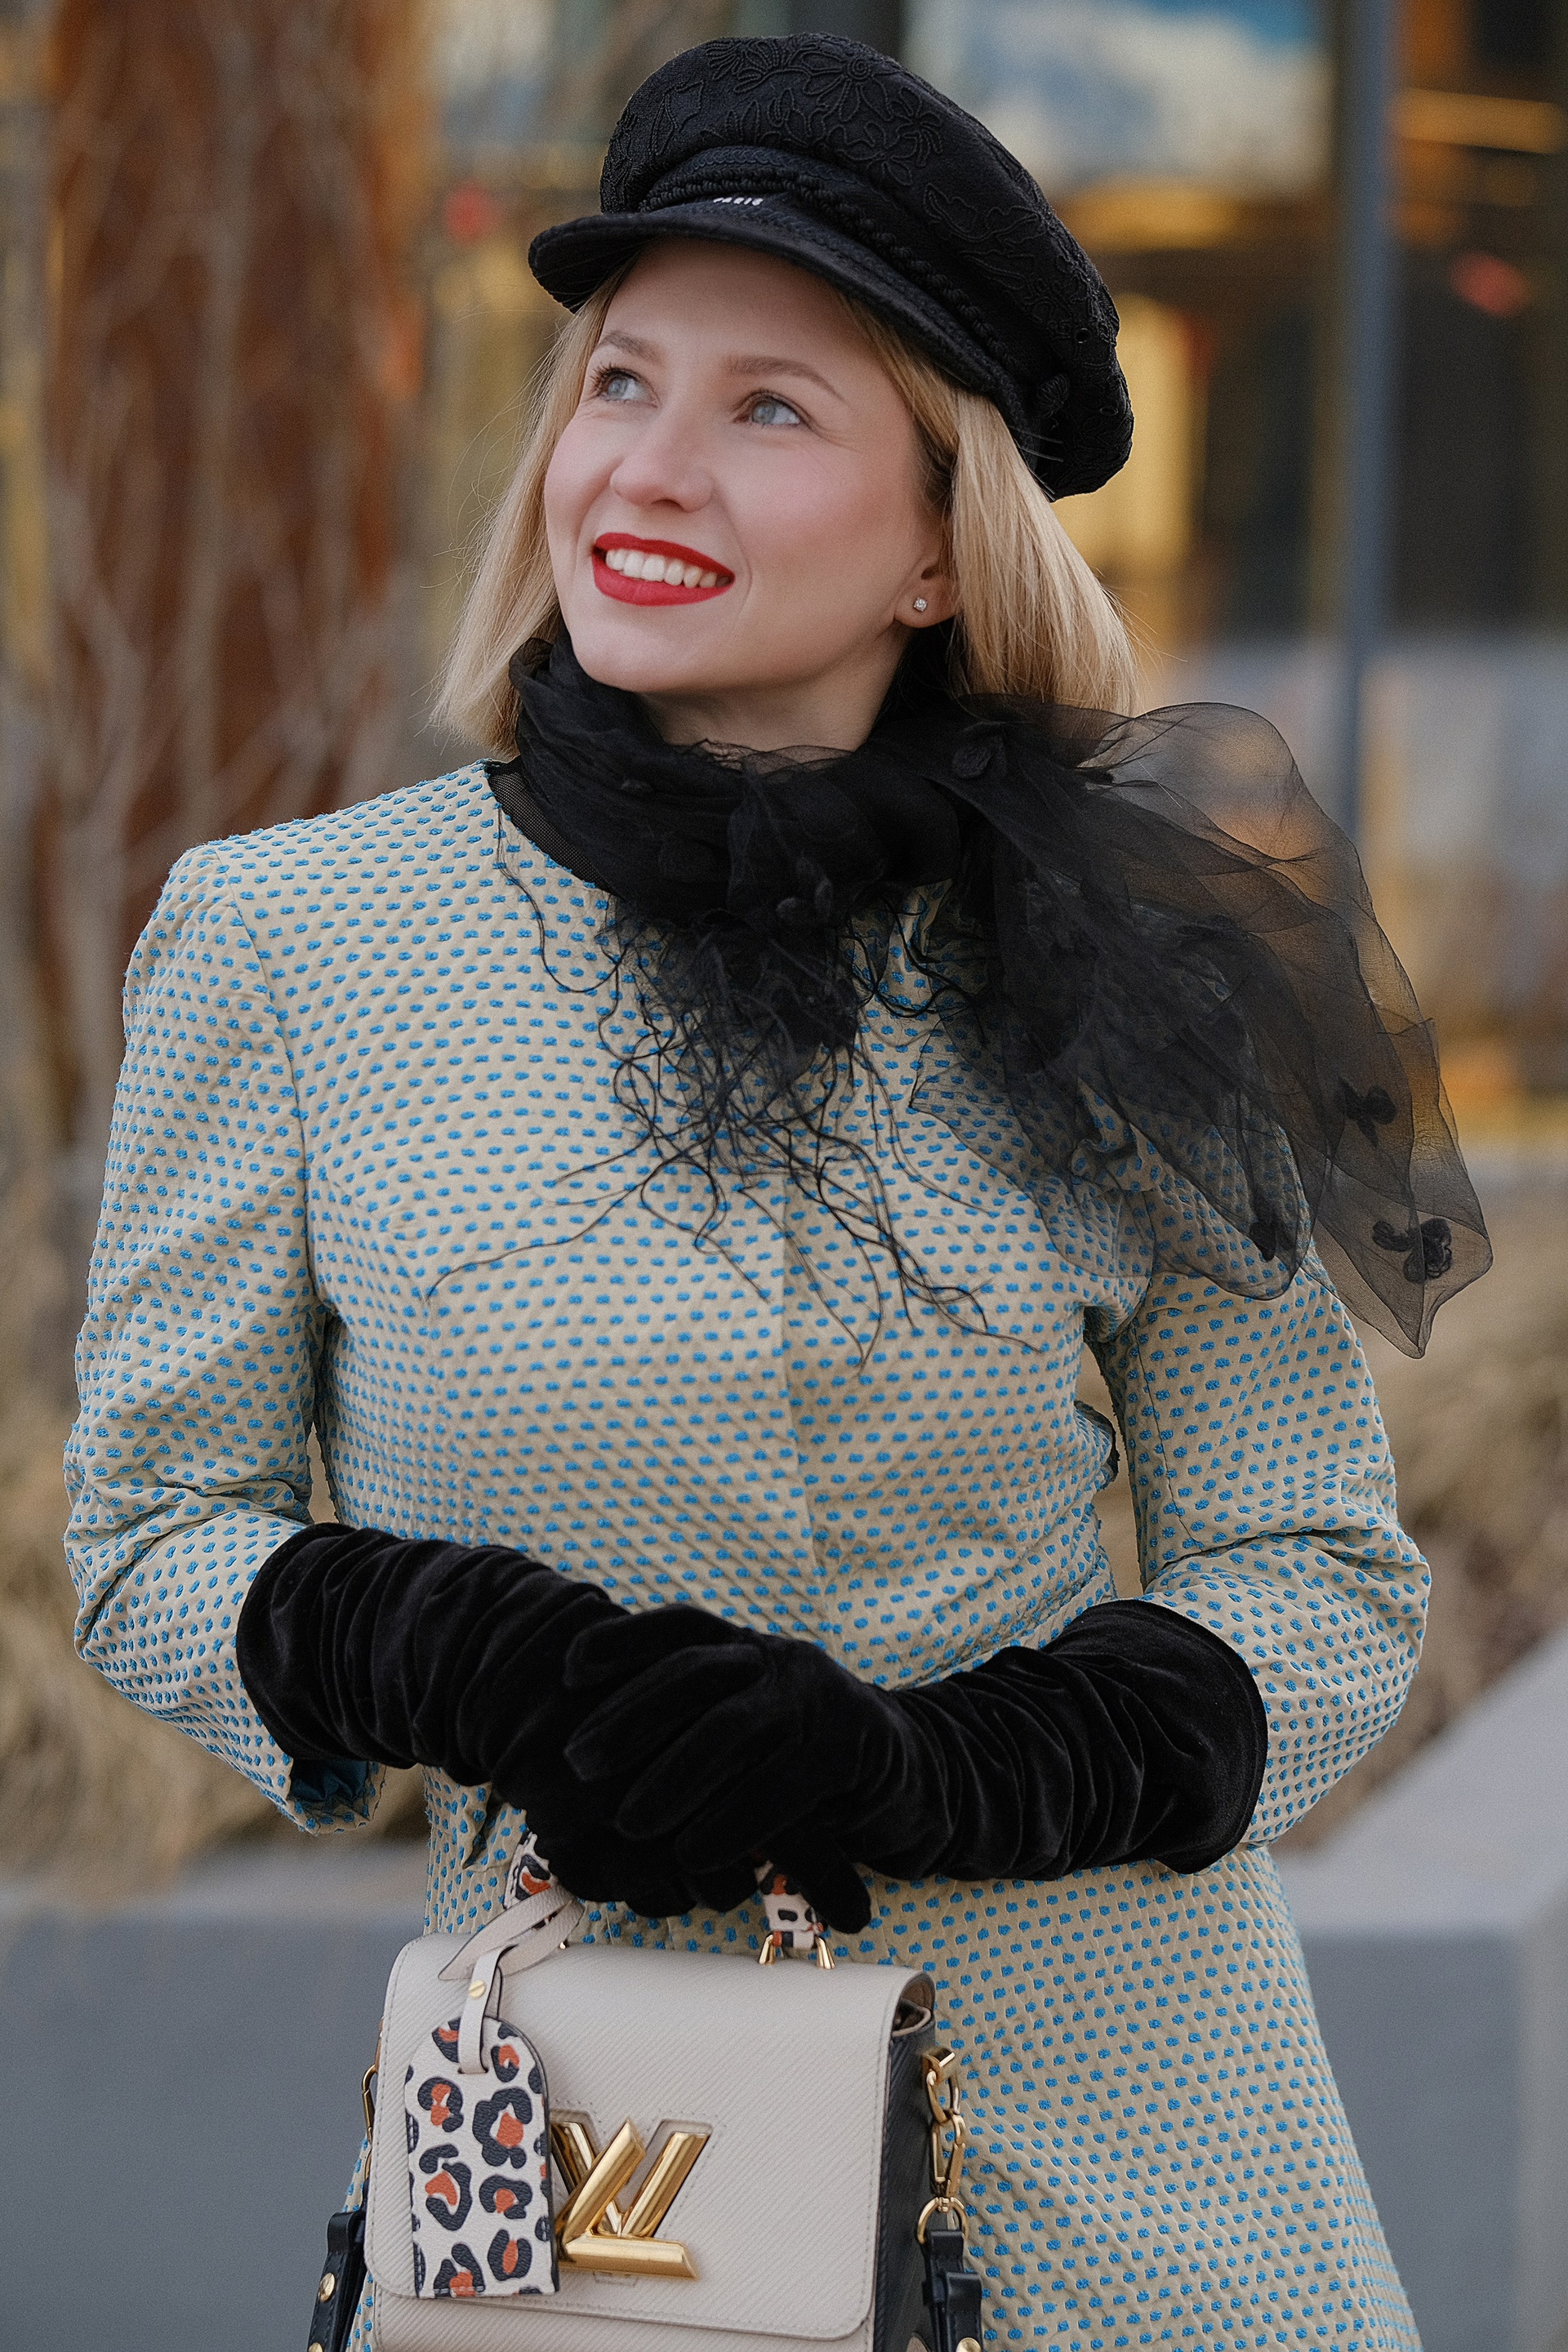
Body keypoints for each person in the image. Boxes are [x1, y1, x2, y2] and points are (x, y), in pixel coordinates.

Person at [66, 33, 1487, 2350]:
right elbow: (149, 1531)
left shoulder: (1118, 953)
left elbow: (1312, 1575)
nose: (647, 462)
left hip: (1141, 2162)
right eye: (620, 381)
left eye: (771, 408)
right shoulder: (292, 943)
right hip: (599, 2165)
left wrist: (937, 1768)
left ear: (938, 541)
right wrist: (476, 1658)